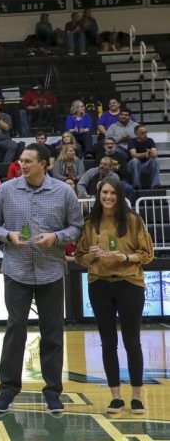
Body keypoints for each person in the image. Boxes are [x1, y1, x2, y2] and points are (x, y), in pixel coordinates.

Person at [0, 142, 84, 414]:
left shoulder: (64, 192)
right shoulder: (6, 190)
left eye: (28, 161)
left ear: (44, 163)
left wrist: (56, 237)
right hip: (16, 271)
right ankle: (8, 391)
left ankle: (52, 392)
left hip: (51, 270)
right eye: (21, 161)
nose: (22, 165)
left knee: (52, 332)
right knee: (15, 330)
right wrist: (8, 236)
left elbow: (77, 227)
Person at [75, 177, 153, 415]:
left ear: (119, 196)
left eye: (112, 193)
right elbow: (80, 257)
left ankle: (137, 396)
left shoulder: (133, 220)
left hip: (130, 283)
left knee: (132, 341)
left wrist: (124, 258)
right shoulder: (90, 223)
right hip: (99, 284)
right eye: (104, 193)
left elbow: (147, 254)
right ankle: (116, 397)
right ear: (99, 196)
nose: (108, 197)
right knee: (108, 342)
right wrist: (92, 255)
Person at [127, 125, 161, 189]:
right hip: (133, 165)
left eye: (146, 132)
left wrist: (150, 154)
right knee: (135, 161)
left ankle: (156, 184)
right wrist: (146, 154)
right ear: (136, 134)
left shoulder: (150, 140)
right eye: (142, 133)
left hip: (146, 164)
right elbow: (133, 155)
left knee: (155, 160)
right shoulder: (132, 141)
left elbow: (155, 154)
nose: (145, 134)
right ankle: (136, 185)